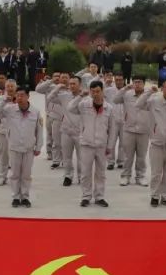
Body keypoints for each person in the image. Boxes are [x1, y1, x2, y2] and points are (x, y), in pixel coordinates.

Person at [71, 80, 118, 208]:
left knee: (100, 173)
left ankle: (99, 196)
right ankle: (86, 196)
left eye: (98, 91)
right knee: (86, 172)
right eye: (93, 92)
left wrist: (110, 146)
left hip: (102, 145)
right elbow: (70, 108)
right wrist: (80, 96)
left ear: (102, 91)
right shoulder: (84, 104)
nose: (95, 94)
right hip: (86, 144)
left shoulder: (109, 108)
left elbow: (112, 129)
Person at [5, 89, 43, 207]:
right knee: (15, 174)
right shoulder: (10, 110)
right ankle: (15, 197)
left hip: (28, 148)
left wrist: (38, 146)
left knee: (26, 175)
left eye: (22, 95)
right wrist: (3, 100)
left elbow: (39, 130)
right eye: (18, 95)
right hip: (14, 147)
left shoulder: (35, 112)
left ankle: (25, 196)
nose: (20, 98)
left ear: (28, 96)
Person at [49, 75, 83, 186]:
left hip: (80, 132)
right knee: (67, 156)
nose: (72, 86)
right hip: (66, 130)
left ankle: (81, 176)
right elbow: (50, 98)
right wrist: (58, 87)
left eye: (74, 84)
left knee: (81, 157)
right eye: (70, 84)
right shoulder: (64, 96)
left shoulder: (85, 97)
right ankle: (68, 176)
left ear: (80, 85)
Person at [117, 77, 151, 187]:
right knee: (128, 156)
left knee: (141, 156)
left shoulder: (150, 96)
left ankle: (140, 176)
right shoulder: (127, 94)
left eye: (139, 82)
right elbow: (115, 100)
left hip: (144, 130)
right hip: (129, 129)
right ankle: (125, 176)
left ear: (144, 84)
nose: (137, 84)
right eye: (135, 82)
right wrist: (124, 89)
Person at [34, 71, 64, 165]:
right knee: (50, 134)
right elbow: (37, 89)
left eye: (59, 76)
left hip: (62, 115)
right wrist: (49, 81)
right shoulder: (48, 86)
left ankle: (61, 155)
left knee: (60, 136)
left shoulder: (64, 87)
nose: (57, 78)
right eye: (55, 76)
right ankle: (50, 153)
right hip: (49, 114)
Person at [0, 79, 18, 186]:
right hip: (4, 131)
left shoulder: (20, 98)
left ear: (16, 88)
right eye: (8, 86)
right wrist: (4, 101)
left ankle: (16, 177)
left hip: (17, 132)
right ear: (5, 88)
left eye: (12, 86)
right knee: (3, 155)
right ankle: (2, 176)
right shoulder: (1, 99)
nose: (10, 88)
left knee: (16, 156)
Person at [103, 74, 126, 170]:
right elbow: (98, 93)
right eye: (117, 80)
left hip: (125, 120)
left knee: (123, 142)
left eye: (120, 80)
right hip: (113, 120)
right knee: (111, 141)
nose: (119, 82)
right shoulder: (108, 90)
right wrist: (105, 84)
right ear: (114, 81)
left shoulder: (128, 91)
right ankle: (110, 161)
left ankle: (121, 161)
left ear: (124, 80)